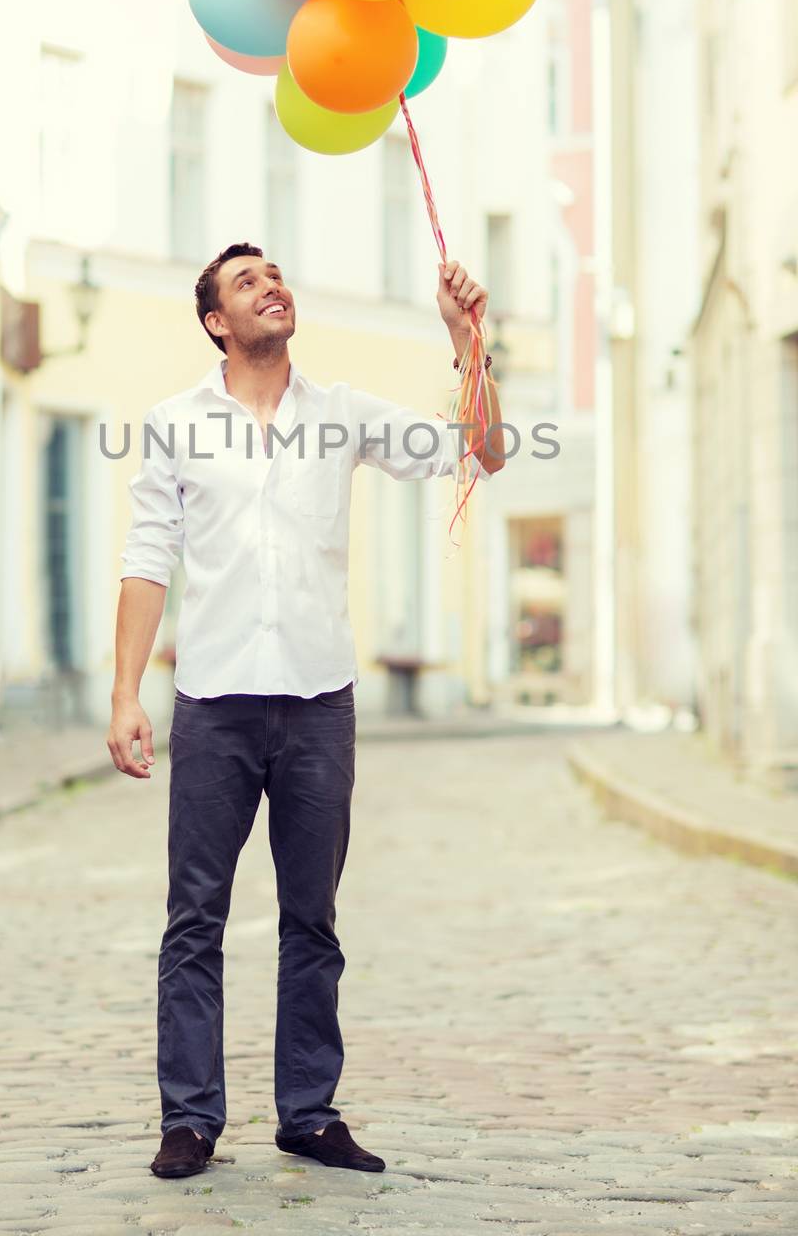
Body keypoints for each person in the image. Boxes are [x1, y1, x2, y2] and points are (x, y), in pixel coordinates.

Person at [108, 242, 507, 1180]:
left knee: (312, 921)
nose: (271, 286)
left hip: (318, 701)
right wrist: (126, 693)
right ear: (216, 320)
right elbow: (146, 557)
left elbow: (479, 452)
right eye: (248, 282)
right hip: (212, 703)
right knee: (194, 918)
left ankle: (307, 1114)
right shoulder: (173, 424)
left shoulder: (341, 415)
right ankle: (190, 1119)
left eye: (275, 275)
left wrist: (468, 347)